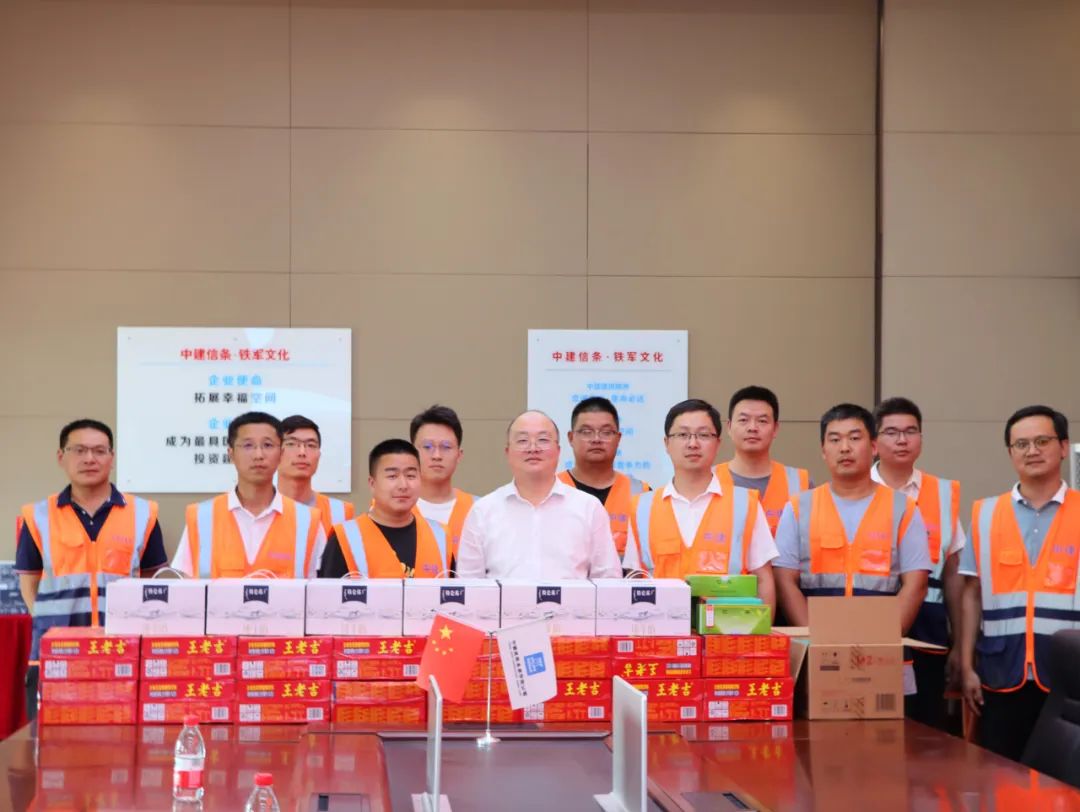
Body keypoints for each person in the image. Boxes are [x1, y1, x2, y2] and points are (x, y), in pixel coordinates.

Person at [16, 419, 166, 720]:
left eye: (99, 451)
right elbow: (28, 583)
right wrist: (50, 625)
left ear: (112, 457)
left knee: (122, 739)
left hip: (123, 653)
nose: (89, 458)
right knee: (52, 740)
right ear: (61, 457)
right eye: (79, 450)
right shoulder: (38, 516)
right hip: (57, 652)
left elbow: (153, 581)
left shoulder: (142, 513)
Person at [959, 405, 1080, 762]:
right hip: (1001, 672)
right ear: (1010, 452)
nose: (1032, 451)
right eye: (1021, 444)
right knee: (1001, 775)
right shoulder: (985, 514)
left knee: (1066, 780)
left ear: (1063, 446)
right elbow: (971, 595)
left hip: (1070, 677)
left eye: (1042, 441)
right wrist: (966, 665)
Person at [773, 403, 931, 634]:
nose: (845, 448)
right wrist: (814, 639)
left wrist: (885, 639)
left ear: (874, 446)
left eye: (855, 438)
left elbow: (916, 584)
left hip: (883, 642)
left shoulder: (903, 508)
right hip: (816, 642)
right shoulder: (798, 508)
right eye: (835, 440)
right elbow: (784, 581)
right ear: (823, 450)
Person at [622, 399, 778, 614]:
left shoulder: (745, 504)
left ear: (718, 443)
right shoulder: (643, 507)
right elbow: (634, 580)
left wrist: (760, 628)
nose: (693, 443)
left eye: (703, 435)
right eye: (683, 435)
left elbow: (763, 579)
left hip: (729, 628)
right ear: (667, 443)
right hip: (663, 628)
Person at [872, 397, 965, 731]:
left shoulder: (941, 493)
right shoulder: (855, 488)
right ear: (874, 441)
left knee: (925, 730)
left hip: (928, 629)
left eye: (910, 432)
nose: (902, 440)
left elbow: (953, 573)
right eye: (892, 432)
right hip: (870, 624)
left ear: (921, 439)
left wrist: (959, 643)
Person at [456, 410, 621, 579]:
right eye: (522, 441)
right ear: (507, 452)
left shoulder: (589, 508)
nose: (533, 448)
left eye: (543, 440)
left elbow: (608, 579)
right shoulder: (483, 511)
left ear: (558, 451)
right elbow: (468, 584)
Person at [172, 412, 324, 578]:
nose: (258, 455)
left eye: (267, 445)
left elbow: (322, 589)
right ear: (231, 454)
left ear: (281, 454)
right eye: (248, 445)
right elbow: (186, 586)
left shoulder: (307, 522)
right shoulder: (202, 518)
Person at [319, 439, 448, 578]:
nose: (403, 485)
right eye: (392, 476)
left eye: (411, 476)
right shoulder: (345, 538)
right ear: (372, 483)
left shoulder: (440, 536)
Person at [558, 396, 650, 557]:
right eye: (586, 432)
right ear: (571, 438)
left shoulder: (641, 493)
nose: (596, 439)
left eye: (606, 432)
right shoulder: (552, 490)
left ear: (618, 438)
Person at [715, 386, 811, 535]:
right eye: (743, 420)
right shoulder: (709, 480)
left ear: (775, 428)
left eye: (762, 421)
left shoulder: (800, 483)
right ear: (729, 427)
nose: (752, 428)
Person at [410, 405, 473, 564]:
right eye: (427, 447)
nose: (436, 455)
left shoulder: (479, 509)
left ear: (459, 455)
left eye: (446, 447)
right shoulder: (391, 509)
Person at [277, 414, 356, 537]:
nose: (302, 452)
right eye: (291, 444)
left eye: (311, 445)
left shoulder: (340, 513)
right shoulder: (256, 510)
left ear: (319, 455)